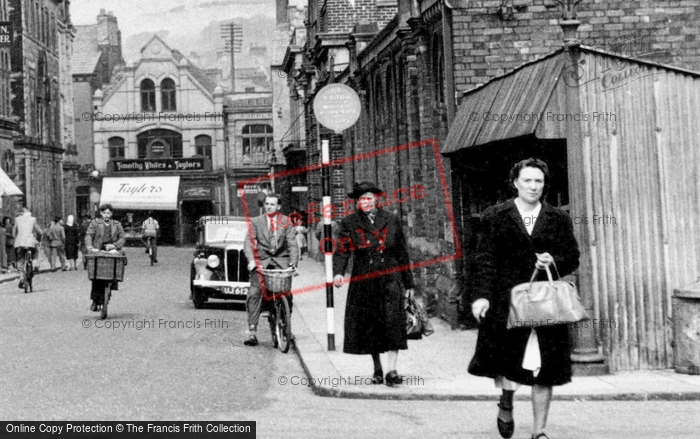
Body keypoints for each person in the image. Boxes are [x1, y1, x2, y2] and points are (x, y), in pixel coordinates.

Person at [468, 158, 580, 439]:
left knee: (546, 368)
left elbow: (572, 257)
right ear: (515, 182)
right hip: (506, 302)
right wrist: (481, 297)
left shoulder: (558, 218)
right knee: (509, 360)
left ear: (545, 184)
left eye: (538, 181)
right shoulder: (495, 215)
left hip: (546, 304)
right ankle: (506, 400)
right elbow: (484, 260)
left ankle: (539, 431)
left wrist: (553, 260)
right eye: (527, 180)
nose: (533, 186)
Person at [332, 181, 415, 386]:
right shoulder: (349, 223)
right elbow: (342, 250)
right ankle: (377, 367)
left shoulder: (391, 219)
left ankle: (392, 370)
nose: (366, 202)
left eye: (369, 198)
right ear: (357, 202)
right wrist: (338, 273)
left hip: (390, 278)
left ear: (376, 199)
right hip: (364, 280)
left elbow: (402, 252)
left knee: (393, 322)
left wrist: (409, 283)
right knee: (371, 325)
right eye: (361, 199)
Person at [242, 193, 299, 347]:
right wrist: (251, 261)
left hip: (281, 261)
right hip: (261, 262)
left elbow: (292, 244)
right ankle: (252, 330)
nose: (269, 207)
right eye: (267, 204)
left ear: (278, 207)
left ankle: (286, 326)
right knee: (254, 293)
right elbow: (248, 242)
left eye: (272, 204)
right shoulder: (256, 222)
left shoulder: (286, 221)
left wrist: (293, 264)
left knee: (286, 295)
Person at [84, 204, 125, 312]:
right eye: (104, 213)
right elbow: (89, 235)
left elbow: (122, 237)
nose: (106, 215)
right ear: (101, 213)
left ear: (111, 214)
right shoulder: (95, 223)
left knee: (114, 271)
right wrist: (90, 247)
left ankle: (108, 293)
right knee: (97, 275)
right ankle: (95, 300)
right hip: (98, 250)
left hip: (111, 249)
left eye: (108, 213)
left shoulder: (117, 224)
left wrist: (115, 245)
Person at [12, 207, 43, 287]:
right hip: (30, 242)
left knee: (20, 259)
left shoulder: (17, 219)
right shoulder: (33, 219)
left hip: (20, 242)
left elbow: (14, 231)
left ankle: (21, 277)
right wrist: (38, 241)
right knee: (35, 253)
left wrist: (15, 239)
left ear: (22, 212)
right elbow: (39, 232)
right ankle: (35, 264)